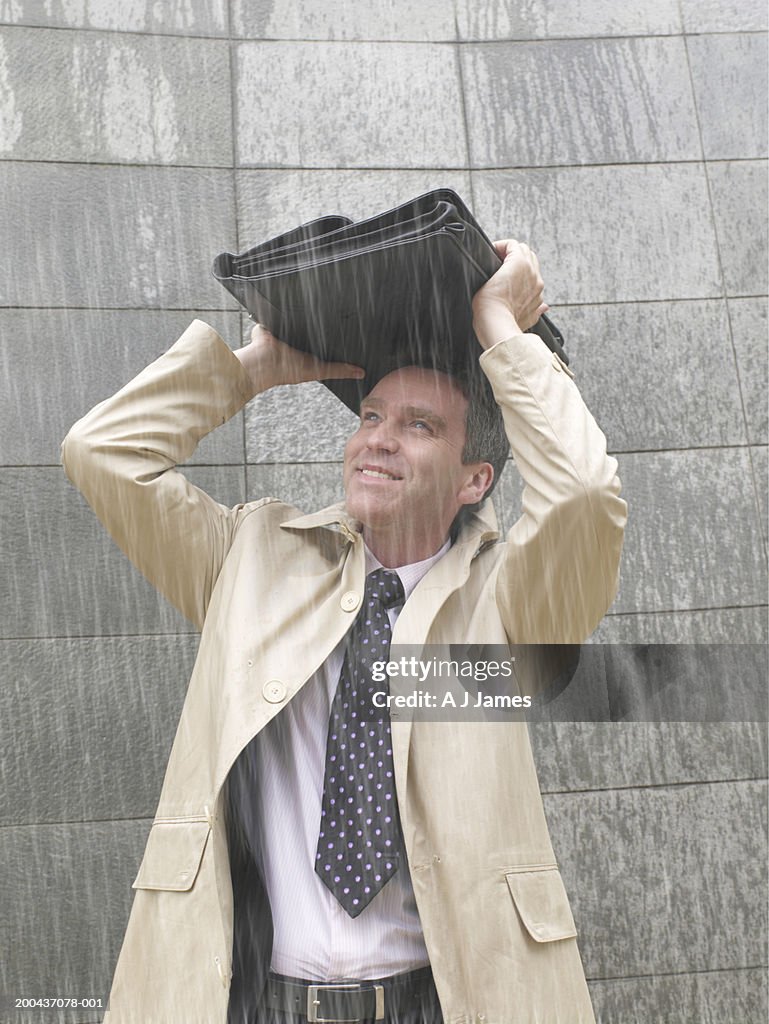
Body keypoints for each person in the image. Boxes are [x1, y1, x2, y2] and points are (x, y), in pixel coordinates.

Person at [61, 239, 627, 1024]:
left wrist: (502, 328)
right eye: (369, 416)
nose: (378, 439)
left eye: (419, 425)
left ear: (474, 479)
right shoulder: (249, 560)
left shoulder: (513, 605)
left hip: (442, 1004)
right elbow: (104, 454)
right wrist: (254, 367)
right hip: (252, 1003)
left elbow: (583, 498)